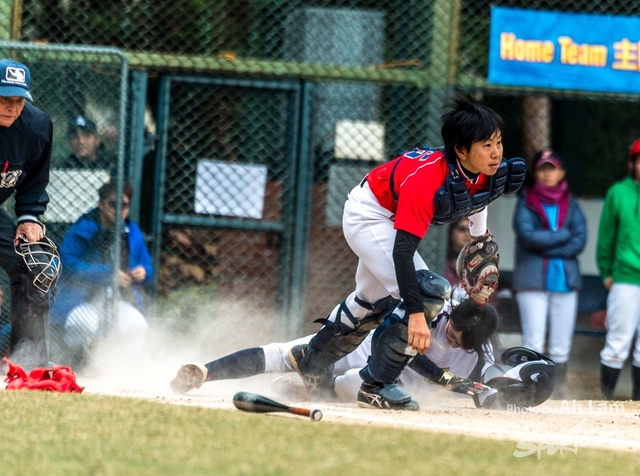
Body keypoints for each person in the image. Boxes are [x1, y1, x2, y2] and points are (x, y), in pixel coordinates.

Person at [287, 98, 526, 410]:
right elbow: (402, 252)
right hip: (369, 216)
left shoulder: (483, 170)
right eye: (486, 145)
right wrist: (415, 314)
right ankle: (376, 386)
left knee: (366, 305)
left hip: (388, 220)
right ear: (461, 150)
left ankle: (312, 359)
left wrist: (479, 238)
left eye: (498, 142)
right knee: (427, 294)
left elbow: (478, 197)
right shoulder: (428, 181)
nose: (497, 153)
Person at [50, 181, 153, 367]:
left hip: (118, 298)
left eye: (124, 205)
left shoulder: (132, 232)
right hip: (82, 298)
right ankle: (74, 367)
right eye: (113, 204)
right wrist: (107, 274)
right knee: (81, 324)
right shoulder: (84, 228)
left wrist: (144, 272)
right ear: (101, 204)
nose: (119, 210)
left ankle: (122, 371)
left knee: (137, 325)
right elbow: (68, 265)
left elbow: (146, 264)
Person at [0, 58, 59, 369]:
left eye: (19, 100)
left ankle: (27, 362)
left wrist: (28, 216)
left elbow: (36, 177)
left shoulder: (36, 127)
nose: (12, 108)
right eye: (4, 99)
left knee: (32, 264)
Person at [512, 149, 586, 396]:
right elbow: (528, 237)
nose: (547, 174)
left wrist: (547, 245)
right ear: (535, 173)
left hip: (565, 281)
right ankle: (530, 392)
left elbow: (580, 240)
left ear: (561, 172)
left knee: (561, 345)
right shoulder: (526, 201)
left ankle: (556, 393)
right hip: (531, 282)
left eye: (552, 168)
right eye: (542, 169)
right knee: (533, 341)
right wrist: (562, 236)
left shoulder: (571, 203)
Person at [597, 139, 640, 401]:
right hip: (624, 278)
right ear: (632, 163)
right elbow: (606, 237)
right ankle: (604, 402)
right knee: (617, 344)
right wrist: (606, 272)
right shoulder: (618, 192)